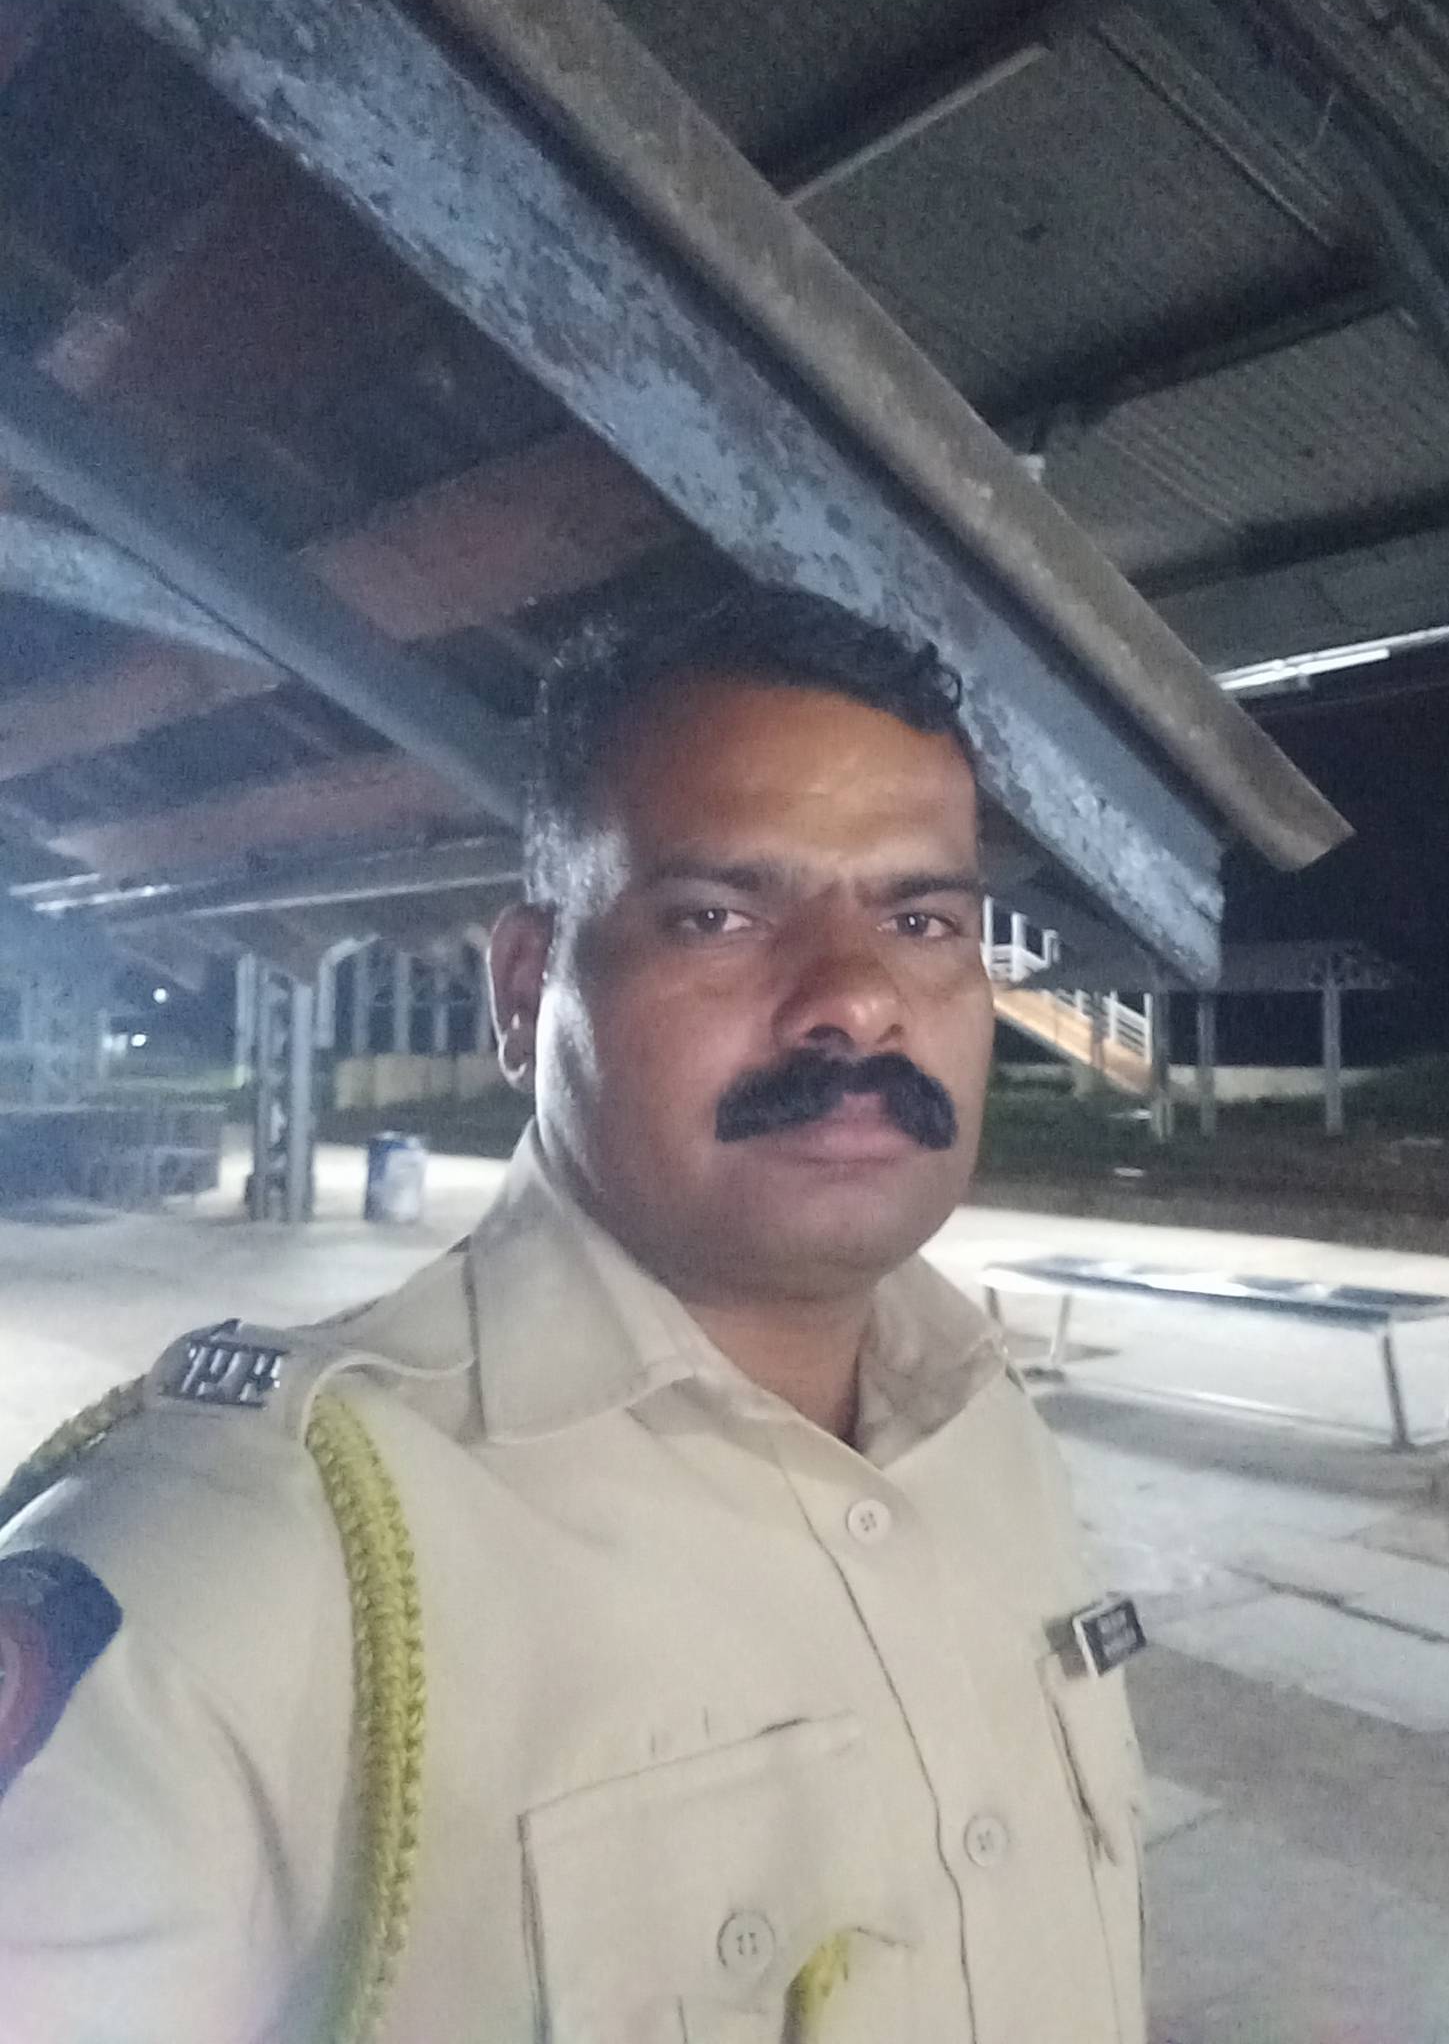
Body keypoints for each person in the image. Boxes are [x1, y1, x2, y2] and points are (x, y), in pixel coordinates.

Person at [0, 564, 1148, 2044]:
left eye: (921, 921)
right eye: (718, 915)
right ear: (524, 989)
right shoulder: (241, 1560)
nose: (858, 998)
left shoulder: (991, 1430)